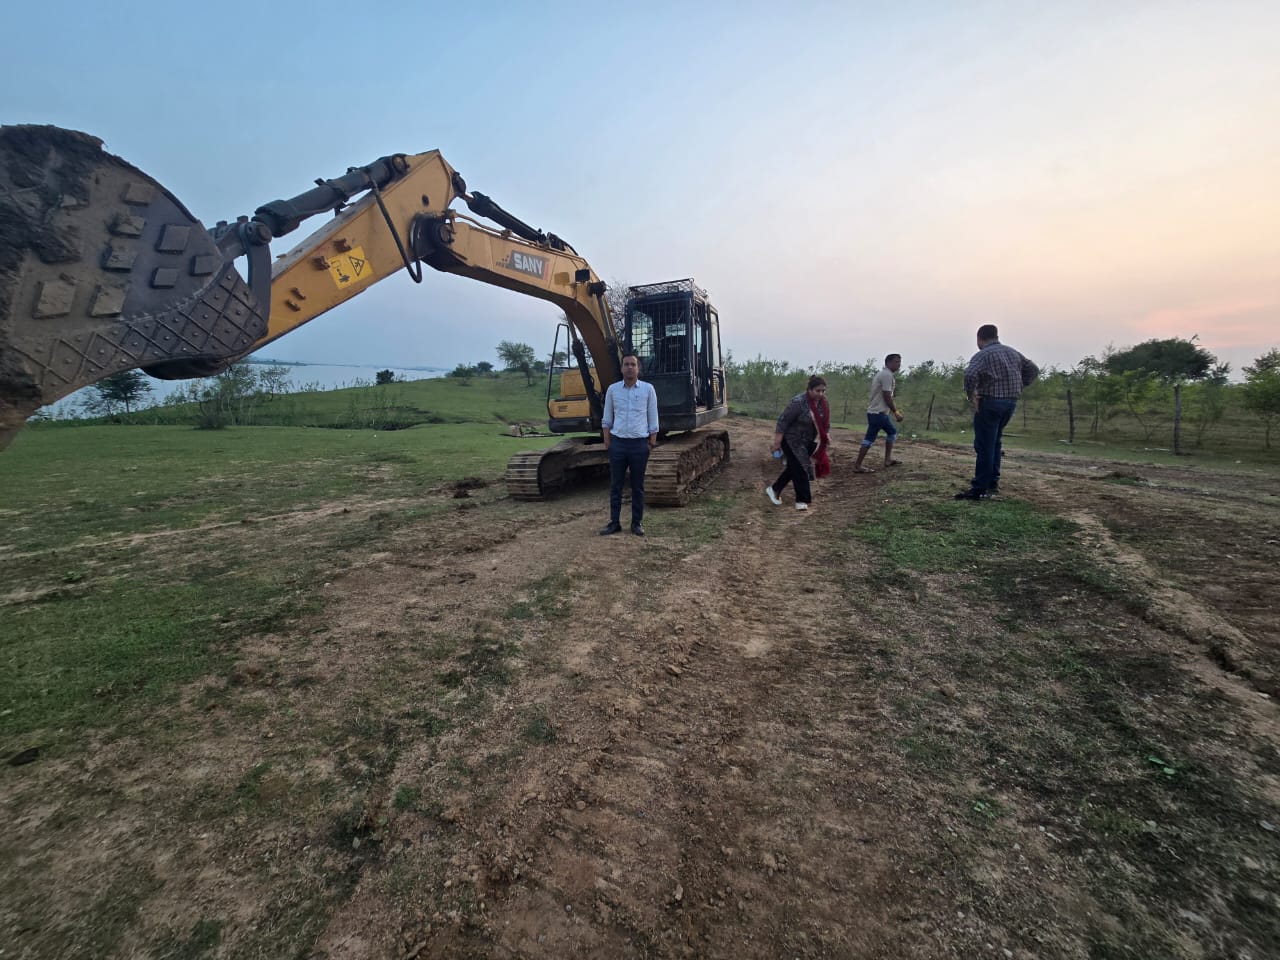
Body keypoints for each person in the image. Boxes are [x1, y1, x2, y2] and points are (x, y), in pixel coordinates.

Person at [956, 324, 1039, 500]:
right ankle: (992, 481)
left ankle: (980, 487)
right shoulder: (1012, 352)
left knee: (985, 445)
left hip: (990, 401)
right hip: (1010, 402)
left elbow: (970, 374)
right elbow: (1033, 369)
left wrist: (971, 395)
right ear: (996, 336)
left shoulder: (983, 355)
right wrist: (1019, 385)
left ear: (979, 339)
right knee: (995, 442)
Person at [599, 353, 659, 535]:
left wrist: (651, 444)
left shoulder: (648, 389)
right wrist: (608, 442)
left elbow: (653, 418)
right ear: (621, 368)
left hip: (639, 445)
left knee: (637, 486)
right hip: (618, 444)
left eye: (633, 364)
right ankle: (614, 523)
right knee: (615, 486)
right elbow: (607, 418)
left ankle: (636, 523)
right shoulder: (613, 390)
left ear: (638, 368)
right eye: (626, 364)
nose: (630, 367)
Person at [765, 375, 830, 512]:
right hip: (791, 440)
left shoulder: (823, 403)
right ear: (809, 390)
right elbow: (782, 422)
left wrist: (826, 434)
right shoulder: (798, 402)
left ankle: (775, 489)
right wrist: (777, 443)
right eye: (817, 390)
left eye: (823, 391)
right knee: (801, 467)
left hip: (808, 440)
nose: (820, 394)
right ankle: (802, 500)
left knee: (794, 467)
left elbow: (826, 421)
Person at [853, 353, 905, 473]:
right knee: (869, 439)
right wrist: (896, 412)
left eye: (899, 362)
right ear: (888, 362)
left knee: (892, 433)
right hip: (877, 413)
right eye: (896, 362)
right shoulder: (887, 375)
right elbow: (887, 396)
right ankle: (857, 465)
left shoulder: (885, 374)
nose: (899, 364)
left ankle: (887, 460)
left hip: (880, 413)